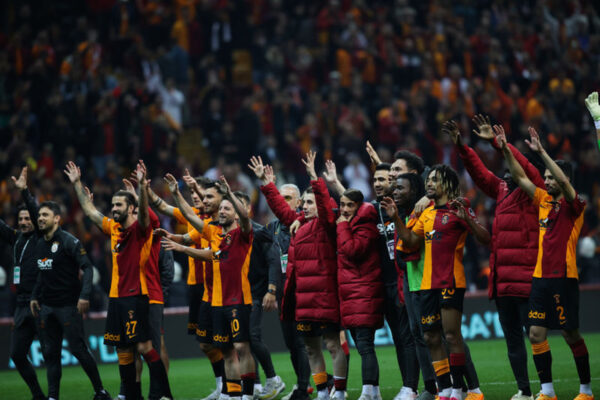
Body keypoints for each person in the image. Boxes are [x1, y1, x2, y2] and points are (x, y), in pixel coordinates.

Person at [445, 117, 545, 400]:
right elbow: (479, 174)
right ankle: (524, 390)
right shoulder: (502, 190)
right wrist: (463, 147)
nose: (507, 173)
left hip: (527, 278)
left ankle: (546, 388)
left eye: (512, 168)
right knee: (513, 341)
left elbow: (526, 169)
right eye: (506, 170)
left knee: (535, 337)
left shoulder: (535, 192)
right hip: (502, 282)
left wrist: (501, 145)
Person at [496, 126, 593, 400]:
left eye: (551, 177)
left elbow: (563, 181)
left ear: (564, 180)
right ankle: (547, 391)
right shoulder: (542, 200)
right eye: (546, 177)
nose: (547, 181)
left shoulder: (575, 205)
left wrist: (541, 152)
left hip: (564, 278)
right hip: (539, 279)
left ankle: (586, 390)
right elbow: (519, 176)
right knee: (536, 334)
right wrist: (505, 148)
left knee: (570, 334)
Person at [64, 160, 172, 400]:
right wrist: (77, 184)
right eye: (113, 204)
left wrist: (141, 188)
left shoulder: (141, 230)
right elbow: (91, 211)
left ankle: (163, 395)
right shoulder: (113, 228)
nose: (113, 208)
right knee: (123, 351)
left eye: (119, 205)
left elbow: (143, 215)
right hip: (116, 298)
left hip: (137, 296)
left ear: (131, 208)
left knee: (144, 347)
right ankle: (132, 396)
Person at [383, 164, 490, 400]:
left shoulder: (459, 207)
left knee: (451, 336)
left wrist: (468, 220)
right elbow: (411, 241)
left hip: (451, 281)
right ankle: (446, 388)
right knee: (430, 337)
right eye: (428, 179)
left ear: (447, 184)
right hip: (427, 284)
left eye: (435, 180)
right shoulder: (427, 213)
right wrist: (396, 219)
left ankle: (460, 390)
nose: (429, 183)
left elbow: (485, 238)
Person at [322, 155, 420, 400]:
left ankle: (412, 387)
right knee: (394, 338)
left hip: (402, 279)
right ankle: (407, 387)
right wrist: (335, 184)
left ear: (394, 180)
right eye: (375, 179)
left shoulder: (404, 207)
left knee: (405, 337)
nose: (377, 184)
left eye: (383, 179)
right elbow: (351, 202)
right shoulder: (372, 210)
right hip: (379, 283)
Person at [251, 152, 348, 400]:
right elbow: (281, 210)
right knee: (311, 348)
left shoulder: (328, 224)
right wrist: (266, 184)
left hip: (325, 295)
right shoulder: (299, 223)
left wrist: (314, 177)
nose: (304, 206)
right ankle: (323, 391)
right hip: (303, 297)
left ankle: (339, 392)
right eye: (303, 203)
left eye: (309, 202)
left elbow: (325, 206)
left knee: (332, 344)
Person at [159, 174, 257, 400]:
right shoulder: (213, 232)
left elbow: (244, 216)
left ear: (235, 213)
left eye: (226, 208)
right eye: (220, 209)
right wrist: (176, 193)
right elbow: (190, 216)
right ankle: (233, 395)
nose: (222, 211)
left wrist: (229, 193)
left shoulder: (243, 233)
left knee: (242, 348)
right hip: (216, 302)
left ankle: (248, 395)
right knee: (227, 351)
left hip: (239, 300)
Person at [147, 172, 226, 400]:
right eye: (193, 193)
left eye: (201, 194)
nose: (197, 197)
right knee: (207, 344)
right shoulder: (196, 219)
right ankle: (223, 386)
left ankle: (245, 386)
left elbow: (195, 243)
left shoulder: (219, 220)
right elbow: (164, 208)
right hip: (198, 287)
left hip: (221, 287)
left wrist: (180, 244)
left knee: (229, 343)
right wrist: (145, 189)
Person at [29, 200, 110, 400]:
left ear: (57, 219)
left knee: (78, 350)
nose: (40, 218)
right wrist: (34, 296)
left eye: (45, 215)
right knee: (50, 354)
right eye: (39, 215)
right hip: (47, 307)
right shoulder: (40, 244)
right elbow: (42, 273)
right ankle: (53, 397)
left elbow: (87, 268)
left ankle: (100, 391)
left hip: (68, 307)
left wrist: (84, 295)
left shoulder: (69, 241)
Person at [257, 174, 311, 400]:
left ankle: (304, 387)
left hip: (304, 291)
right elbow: (250, 231)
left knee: (303, 343)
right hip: (284, 294)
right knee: (291, 343)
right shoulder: (272, 228)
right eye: (280, 197)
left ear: (298, 202)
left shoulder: (305, 224)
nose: (283, 201)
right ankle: (312, 383)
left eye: (287, 198)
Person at [235, 191, 286, 399]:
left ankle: (273, 378)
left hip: (256, 292)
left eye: (239, 205)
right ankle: (254, 384)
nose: (236, 209)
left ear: (248, 209)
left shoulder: (259, 232)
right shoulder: (229, 234)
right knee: (243, 341)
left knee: (253, 337)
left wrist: (271, 289)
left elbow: (274, 261)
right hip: (237, 294)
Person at [334, 187, 384, 400]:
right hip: (353, 295)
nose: (344, 209)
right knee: (363, 346)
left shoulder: (365, 226)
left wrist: (342, 226)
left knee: (365, 346)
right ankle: (374, 392)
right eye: (342, 205)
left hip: (364, 293)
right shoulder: (354, 223)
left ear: (358, 206)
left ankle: (368, 392)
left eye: (349, 205)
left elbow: (353, 250)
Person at [1, 167, 46, 400]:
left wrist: (24, 191)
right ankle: (38, 395)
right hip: (21, 305)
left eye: (28, 219)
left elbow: (36, 213)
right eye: (21, 220)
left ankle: (96, 389)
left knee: (51, 354)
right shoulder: (17, 239)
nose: (24, 222)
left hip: (40, 302)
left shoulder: (41, 237)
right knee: (17, 355)